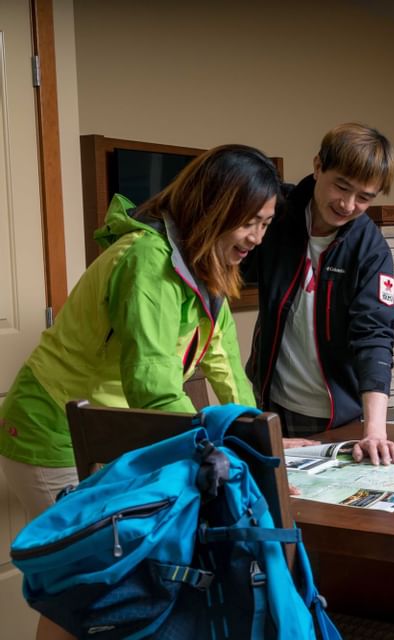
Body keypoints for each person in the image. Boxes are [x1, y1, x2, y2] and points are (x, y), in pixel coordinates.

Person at [0, 143, 280, 521]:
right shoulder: (148, 261)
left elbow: (225, 362)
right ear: (212, 208)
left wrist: (257, 440)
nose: (257, 238)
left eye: (265, 223)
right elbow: (153, 385)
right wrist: (210, 450)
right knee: (85, 571)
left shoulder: (205, 268)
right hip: (51, 431)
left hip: (107, 430)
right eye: (249, 222)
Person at [248, 123, 394, 466]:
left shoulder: (371, 250)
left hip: (338, 417)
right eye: (342, 186)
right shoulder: (275, 214)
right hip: (271, 402)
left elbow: (375, 334)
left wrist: (375, 430)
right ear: (318, 166)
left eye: (365, 197)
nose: (348, 205)